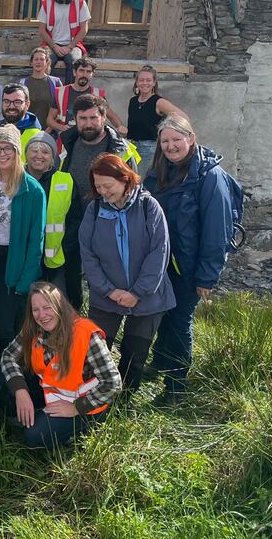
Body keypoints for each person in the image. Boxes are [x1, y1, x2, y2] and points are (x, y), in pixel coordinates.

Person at [143, 115, 235, 401]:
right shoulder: (160, 169)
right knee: (165, 314)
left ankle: (176, 385)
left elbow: (216, 232)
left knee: (180, 319)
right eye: (165, 141)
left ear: (191, 139)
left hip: (190, 265)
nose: (171, 146)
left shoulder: (210, 177)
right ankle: (160, 361)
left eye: (176, 140)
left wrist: (207, 276)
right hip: (163, 261)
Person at [79, 154, 175, 393]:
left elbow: (159, 251)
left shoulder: (148, 206)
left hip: (147, 297)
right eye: (98, 186)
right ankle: (94, 398)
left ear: (124, 179)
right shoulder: (94, 209)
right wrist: (109, 290)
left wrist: (138, 292)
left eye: (107, 186)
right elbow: (87, 254)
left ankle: (125, 400)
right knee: (96, 351)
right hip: (106, 296)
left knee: (135, 353)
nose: (103, 191)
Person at [0, 281, 122, 449]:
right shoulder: (34, 328)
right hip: (52, 393)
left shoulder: (86, 334)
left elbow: (113, 383)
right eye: (35, 310)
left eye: (47, 307)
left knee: (34, 436)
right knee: (3, 381)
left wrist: (76, 408)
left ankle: (81, 429)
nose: (42, 315)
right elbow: (8, 355)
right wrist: (21, 391)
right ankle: (25, 418)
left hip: (85, 404)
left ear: (59, 305)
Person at [0, 124, 46, 368]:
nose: (2, 153)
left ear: (17, 152)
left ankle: (6, 373)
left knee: (4, 324)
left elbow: (36, 240)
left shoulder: (32, 190)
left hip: (12, 262)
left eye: (8, 148)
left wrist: (26, 281)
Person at [24, 131, 81, 308]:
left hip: (56, 260)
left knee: (58, 306)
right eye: (34, 150)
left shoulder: (66, 181)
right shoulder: (16, 179)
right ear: (26, 154)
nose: (39, 155)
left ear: (53, 157)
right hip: (24, 259)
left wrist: (64, 247)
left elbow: (75, 220)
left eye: (45, 151)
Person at [60, 93, 139, 212]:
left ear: (104, 117)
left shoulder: (122, 150)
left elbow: (132, 193)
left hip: (108, 222)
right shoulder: (67, 145)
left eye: (93, 118)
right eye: (83, 118)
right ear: (75, 119)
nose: (88, 124)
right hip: (73, 224)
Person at [127, 65, 187, 177]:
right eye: (141, 80)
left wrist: (170, 134)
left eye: (148, 80)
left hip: (150, 149)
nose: (145, 83)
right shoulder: (133, 101)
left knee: (144, 183)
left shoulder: (159, 102)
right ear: (137, 82)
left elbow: (183, 118)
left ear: (154, 83)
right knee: (131, 182)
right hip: (131, 148)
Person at [37, 0, 90, 85]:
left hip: (73, 45)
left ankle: (69, 95)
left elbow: (84, 29)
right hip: (51, 44)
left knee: (75, 63)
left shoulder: (80, 3)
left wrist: (70, 46)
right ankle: (49, 94)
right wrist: (54, 46)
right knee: (44, 61)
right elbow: (41, 30)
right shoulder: (47, 3)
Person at [46, 57, 126, 135]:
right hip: (66, 140)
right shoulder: (61, 92)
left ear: (92, 74)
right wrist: (61, 127)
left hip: (90, 140)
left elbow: (111, 115)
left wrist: (120, 126)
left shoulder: (97, 94)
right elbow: (50, 120)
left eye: (88, 72)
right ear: (74, 72)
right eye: (81, 71)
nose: (84, 74)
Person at [0, 83, 42, 163]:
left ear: (27, 105)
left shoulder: (37, 135)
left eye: (17, 102)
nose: (11, 107)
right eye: (6, 102)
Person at [20, 47, 63, 134]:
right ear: (31, 62)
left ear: (47, 63)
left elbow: (61, 108)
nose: (38, 62)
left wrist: (50, 129)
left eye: (42, 59)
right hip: (27, 131)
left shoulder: (56, 82)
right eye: (36, 59)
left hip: (51, 133)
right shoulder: (23, 83)